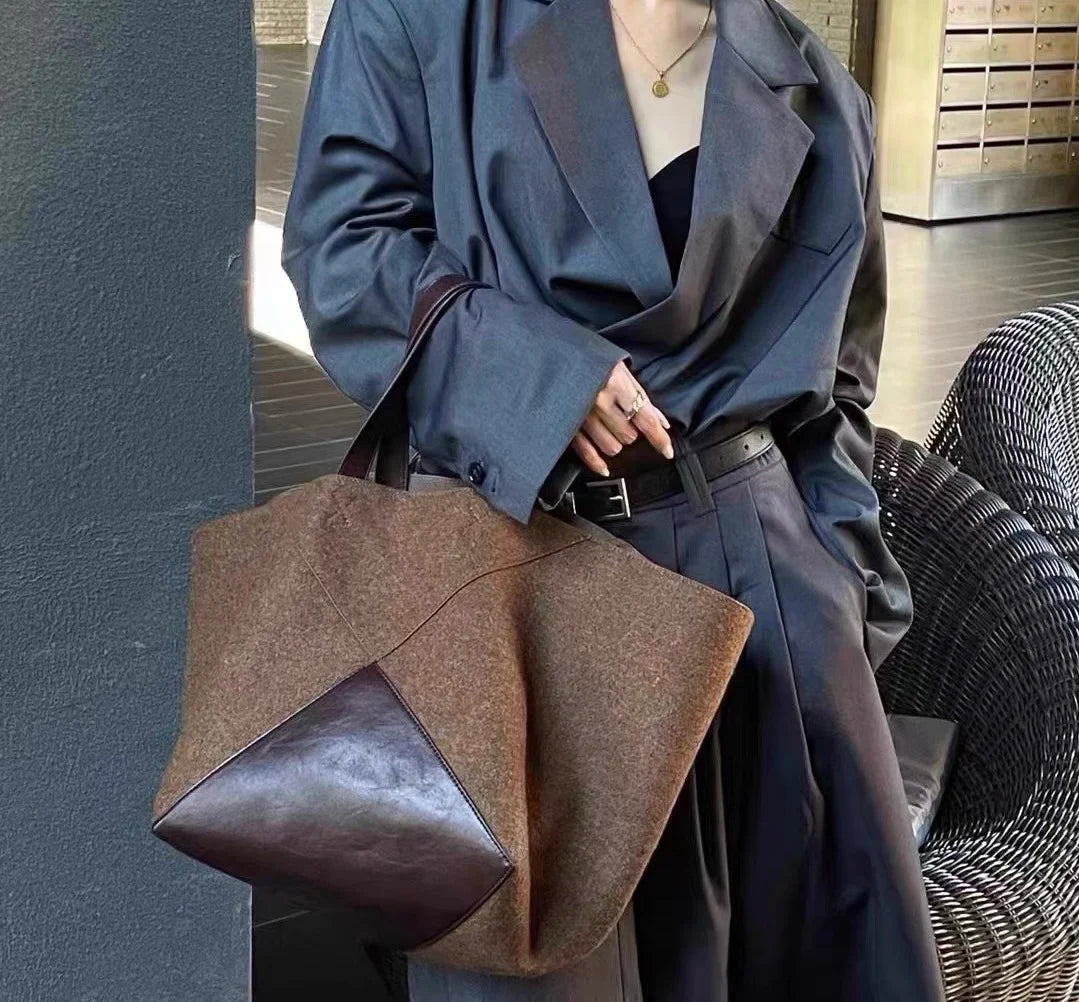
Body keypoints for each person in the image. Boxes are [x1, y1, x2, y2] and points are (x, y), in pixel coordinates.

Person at [280, 0, 946, 998]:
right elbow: (342, 247)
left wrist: (840, 598)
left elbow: (838, 389)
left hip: (762, 611)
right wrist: (535, 382)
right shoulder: (419, 17)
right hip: (512, 586)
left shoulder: (821, 93)